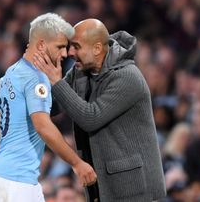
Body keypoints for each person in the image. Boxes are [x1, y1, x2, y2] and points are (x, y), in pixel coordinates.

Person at [33, 19, 166, 201]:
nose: (70, 53)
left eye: (76, 47)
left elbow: (90, 118)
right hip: (102, 184)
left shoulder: (127, 77)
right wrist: (35, 83)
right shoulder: (81, 72)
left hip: (134, 188)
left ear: (96, 48)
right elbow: (53, 104)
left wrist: (56, 82)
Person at [0, 13, 97, 202]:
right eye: (60, 47)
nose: (64, 54)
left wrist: (3, 164)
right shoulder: (36, 79)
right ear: (40, 45)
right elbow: (43, 126)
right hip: (19, 182)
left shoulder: (11, 73)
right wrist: (77, 164)